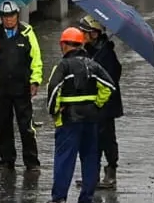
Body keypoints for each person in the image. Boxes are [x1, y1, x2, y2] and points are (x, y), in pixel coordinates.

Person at [47, 26, 116, 203]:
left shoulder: (63, 66)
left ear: (63, 45)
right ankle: (87, 197)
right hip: (91, 120)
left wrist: (55, 112)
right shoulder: (93, 65)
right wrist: (97, 105)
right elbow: (109, 86)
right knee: (90, 159)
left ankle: (59, 198)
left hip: (69, 120)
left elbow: (53, 90)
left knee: (64, 160)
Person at [0, 0, 43, 170]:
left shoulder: (27, 33)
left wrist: (35, 80)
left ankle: (31, 162)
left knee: (26, 126)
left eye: (12, 15)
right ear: (1, 17)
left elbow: (36, 59)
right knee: (4, 125)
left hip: (21, 87)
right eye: (5, 16)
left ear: (17, 15)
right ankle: (7, 160)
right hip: (2, 89)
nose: (9, 19)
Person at [80, 14, 125, 187]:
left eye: (86, 32)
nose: (82, 35)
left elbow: (112, 78)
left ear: (95, 34)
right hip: (92, 105)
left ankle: (111, 170)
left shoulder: (107, 54)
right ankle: (93, 174)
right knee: (92, 139)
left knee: (107, 139)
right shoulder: (88, 52)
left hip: (107, 106)